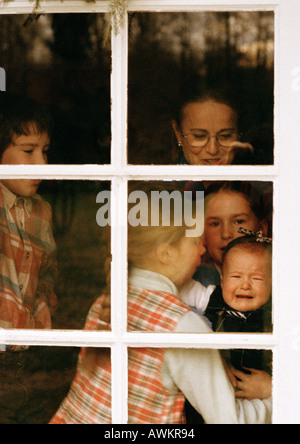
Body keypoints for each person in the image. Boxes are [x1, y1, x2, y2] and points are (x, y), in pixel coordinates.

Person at [50, 183, 271, 424]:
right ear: (166, 253)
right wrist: (282, 397)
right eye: (194, 241)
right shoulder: (183, 327)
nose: (203, 247)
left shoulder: (105, 302)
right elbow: (231, 420)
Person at [0, 94, 58, 423]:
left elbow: (48, 271)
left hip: (31, 354)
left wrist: (44, 305)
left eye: (44, 152)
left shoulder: (41, 211)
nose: (42, 164)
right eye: (28, 151)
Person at [180, 232, 273, 423]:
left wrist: (271, 387)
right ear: (222, 281)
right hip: (210, 400)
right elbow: (174, 290)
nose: (245, 285)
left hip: (255, 404)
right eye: (236, 276)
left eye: (257, 278)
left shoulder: (276, 316)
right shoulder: (211, 298)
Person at [193, 181, 271, 287]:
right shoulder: (194, 283)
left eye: (239, 221)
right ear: (203, 235)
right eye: (215, 224)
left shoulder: (279, 276)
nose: (226, 234)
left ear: (261, 229)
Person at [172, 79, 254, 166]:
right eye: (199, 136)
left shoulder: (258, 175)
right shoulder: (161, 178)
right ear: (178, 133)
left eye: (225, 136)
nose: (213, 150)